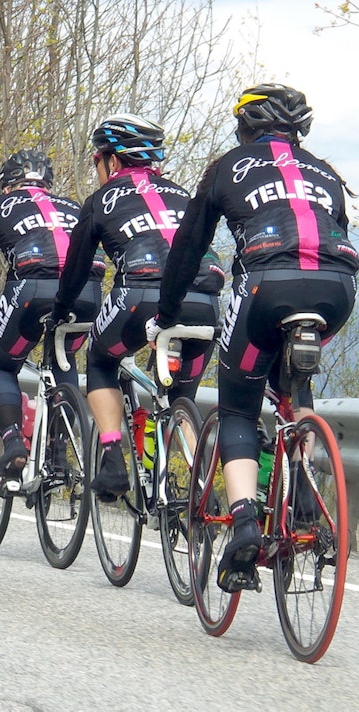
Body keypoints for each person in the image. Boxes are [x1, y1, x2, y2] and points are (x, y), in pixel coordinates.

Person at [153, 84, 357, 591]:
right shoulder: (327, 173)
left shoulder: (227, 166)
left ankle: (244, 523)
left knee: (239, 407)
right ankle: (304, 491)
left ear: (245, 127)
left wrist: (166, 312)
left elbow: (189, 247)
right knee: (295, 383)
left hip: (267, 285)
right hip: (338, 290)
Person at [52, 114, 223, 502]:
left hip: (140, 298)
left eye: (97, 161)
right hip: (206, 302)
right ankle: (202, 488)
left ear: (112, 160)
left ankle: (113, 459)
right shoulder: (182, 193)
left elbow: (76, 269)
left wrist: (62, 310)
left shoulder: (101, 199)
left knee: (100, 360)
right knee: (182, 398)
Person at [0, 149, 102, 493]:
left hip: (32, 289)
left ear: (7, 186)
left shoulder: (0, 206)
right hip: (88, 293)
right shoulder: (73, 206)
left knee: (1, 364)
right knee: (64, 359)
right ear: (48, 185)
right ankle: (59, 451)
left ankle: (13, 442)